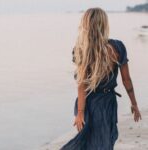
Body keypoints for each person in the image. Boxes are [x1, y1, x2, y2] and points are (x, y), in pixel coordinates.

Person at [60, 7, 142, 150]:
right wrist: (134, 104)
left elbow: (81, 84)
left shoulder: (80, 49)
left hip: (88, 103)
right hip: (106, 102)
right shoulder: (117, 47)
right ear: (104, 24)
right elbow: (126, 80)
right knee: (104, 141)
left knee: (90, 141)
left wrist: (80, 113)